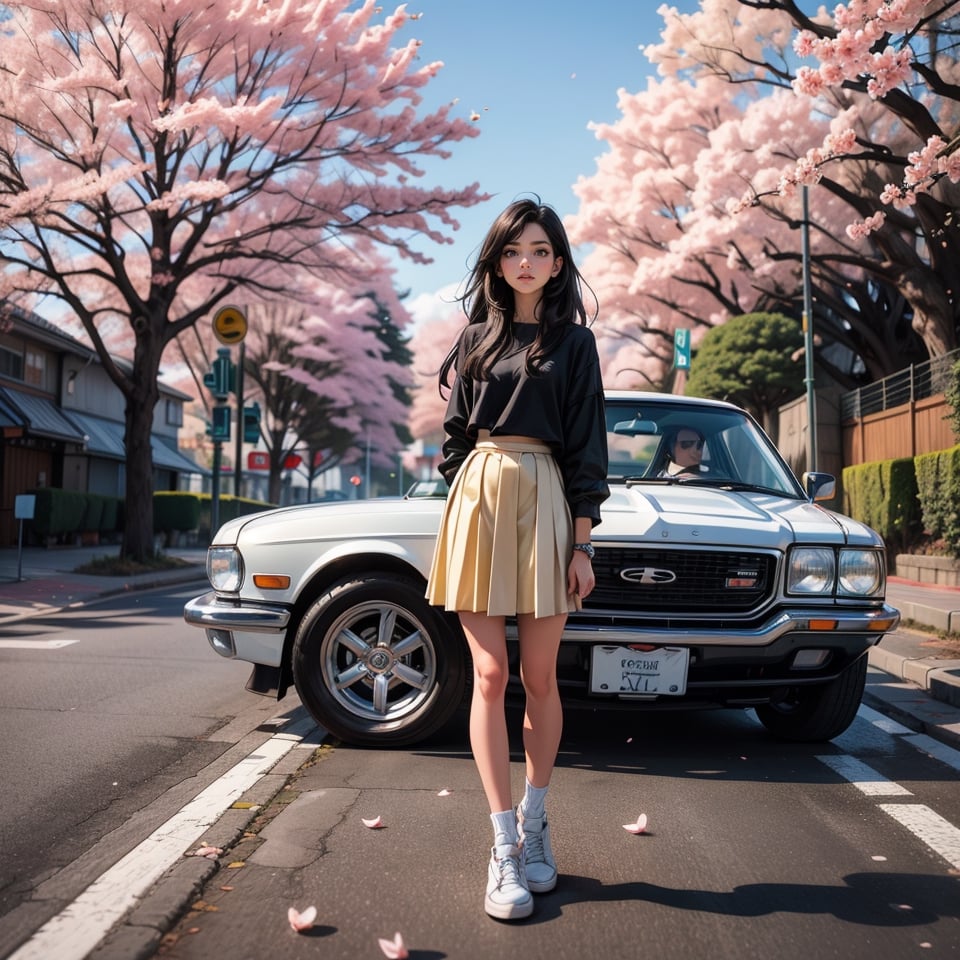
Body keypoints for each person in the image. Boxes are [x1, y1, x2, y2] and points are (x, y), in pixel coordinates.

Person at [426, 198, 609, 921]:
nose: (524, 261)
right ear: (497, 261)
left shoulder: (576, 345)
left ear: (557, 263)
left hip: (549, 502)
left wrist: (583, 541)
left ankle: (536, 825)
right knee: (490, 673)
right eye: (512, 251)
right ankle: (502, 845)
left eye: (538, 250)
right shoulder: (474, 337)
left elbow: (588, 447)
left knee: (538, 676)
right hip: (481, 501)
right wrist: (473, 489)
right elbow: (451, 442)